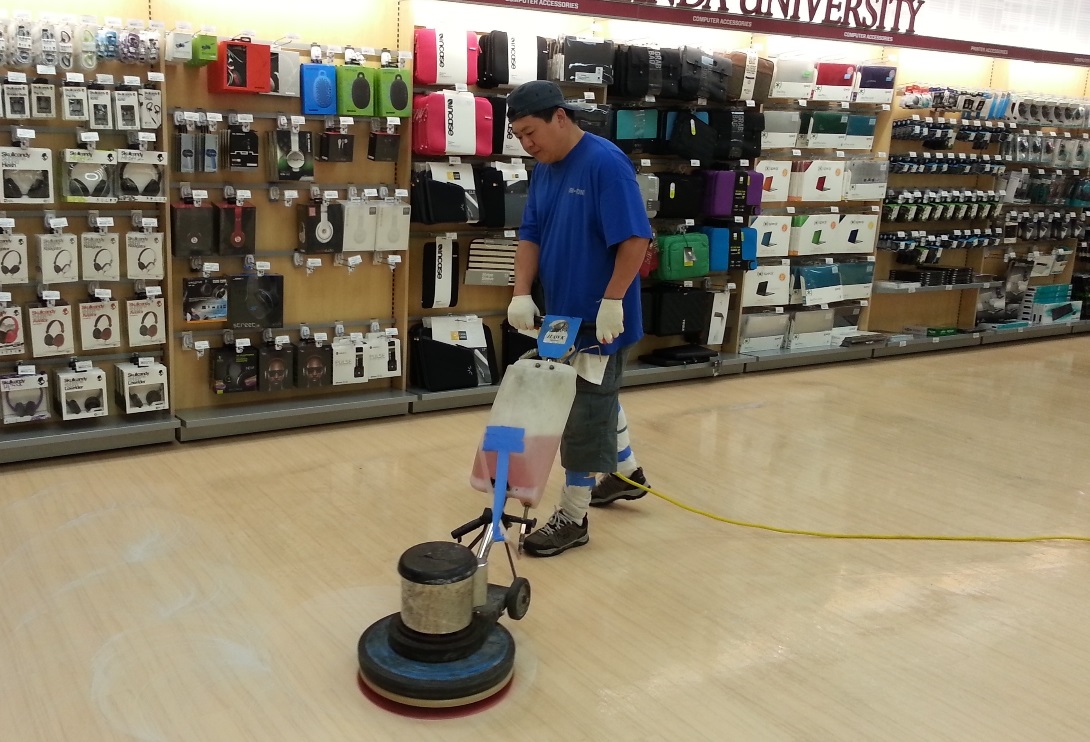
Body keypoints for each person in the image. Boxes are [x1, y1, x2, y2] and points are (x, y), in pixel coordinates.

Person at [504, 80, 652, 558]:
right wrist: (521, 293)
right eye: (519, 138)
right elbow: (530, 233)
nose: (528, 144)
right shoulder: (544, 169)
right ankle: (625, 474)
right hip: (561, 314)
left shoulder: (606, 164)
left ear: (560, 118)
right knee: (594, 393)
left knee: (584, 411)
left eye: (531, 133)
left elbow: (635, 239)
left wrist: (612, 300)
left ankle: (573, 515)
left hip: (599, 316)